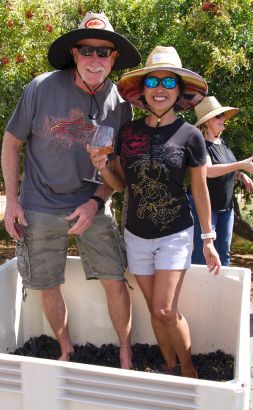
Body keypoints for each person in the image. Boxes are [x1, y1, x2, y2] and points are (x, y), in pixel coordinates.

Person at [1, 12, 141, 369]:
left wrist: (96, 203)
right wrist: (12, 201)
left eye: (104, 52)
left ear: (114, 59)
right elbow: (11, 143)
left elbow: (117, 174)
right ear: (74, 54)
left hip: (91, 203)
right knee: (47, 283)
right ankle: (66, 350)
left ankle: (125, 352)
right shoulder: (41, 88)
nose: (95, 59)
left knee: (114, 278)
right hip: (39, 204)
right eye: (87, 50)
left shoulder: (122, 106)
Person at [89, 46, 221, 378]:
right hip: (136, 234)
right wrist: (102, 168)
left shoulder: (190, 135)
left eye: (167, 81)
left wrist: (208, 239)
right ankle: (170, 366)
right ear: (143, 89)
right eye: (152, 81)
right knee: (152, 309)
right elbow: (121, 185)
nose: (159, 88)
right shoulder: (128, 133)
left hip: (175, 233)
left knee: (164, 309)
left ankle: (189, 370)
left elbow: (200, 189)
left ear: (178, 90)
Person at [189, 96, 253, 266]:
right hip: (205, 209)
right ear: (207, 121)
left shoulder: (222, 142)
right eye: (218, 116)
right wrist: (241, 166)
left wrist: (240, 175)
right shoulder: (199, 143)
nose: (223, 119)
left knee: (224, 254)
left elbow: (227, 167)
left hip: (226, 208)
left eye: (223, 115)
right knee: (202, 255)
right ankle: (199, 292)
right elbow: (208, 171)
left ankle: (220, 291)